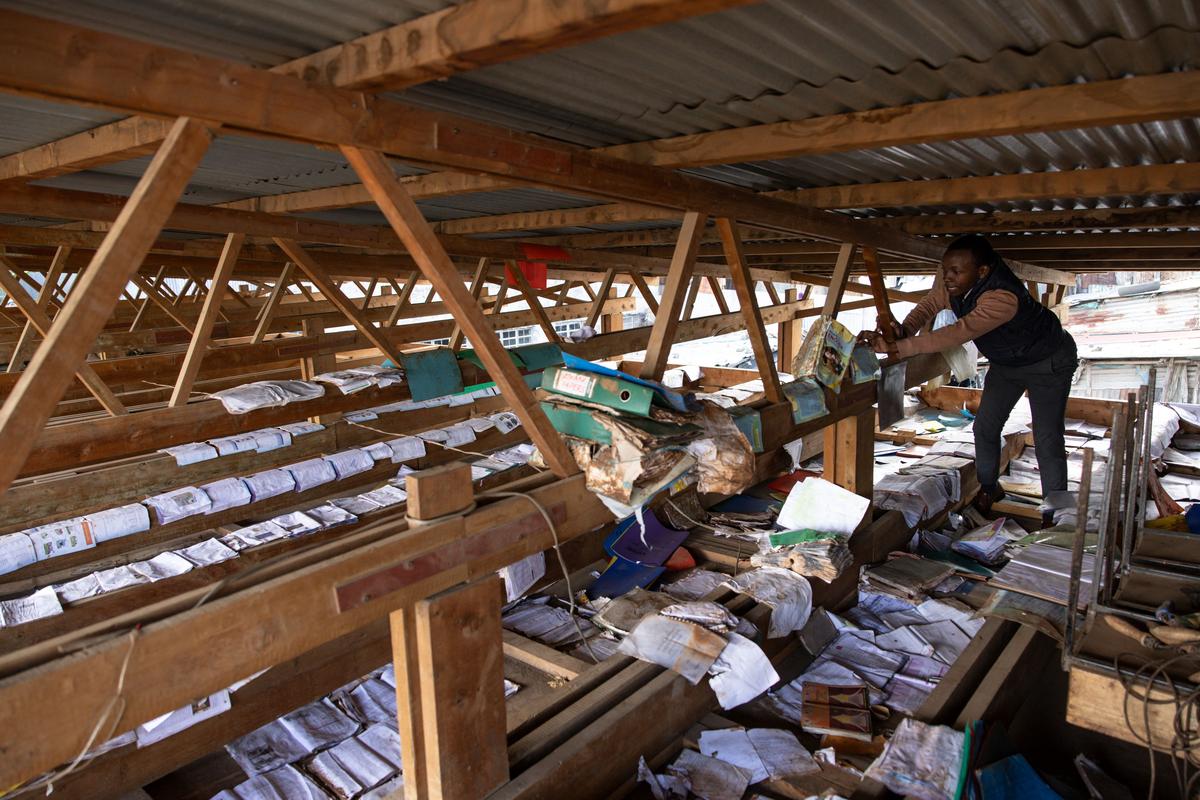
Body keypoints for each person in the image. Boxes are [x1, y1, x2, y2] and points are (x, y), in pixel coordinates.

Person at [858, 234, 1078, 521]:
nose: (947, 277)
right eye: (945, 269)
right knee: (985, 428)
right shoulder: (953, 281)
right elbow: (930, 304)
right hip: (1006, 364)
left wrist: (897, 348)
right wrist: (904, 329)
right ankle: (989, 488)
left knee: (1048, 438)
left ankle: (1058, 513)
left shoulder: (1003, 297)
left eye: (956, 272)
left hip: (1048, 362)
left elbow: (956, 332)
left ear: (982, 272)